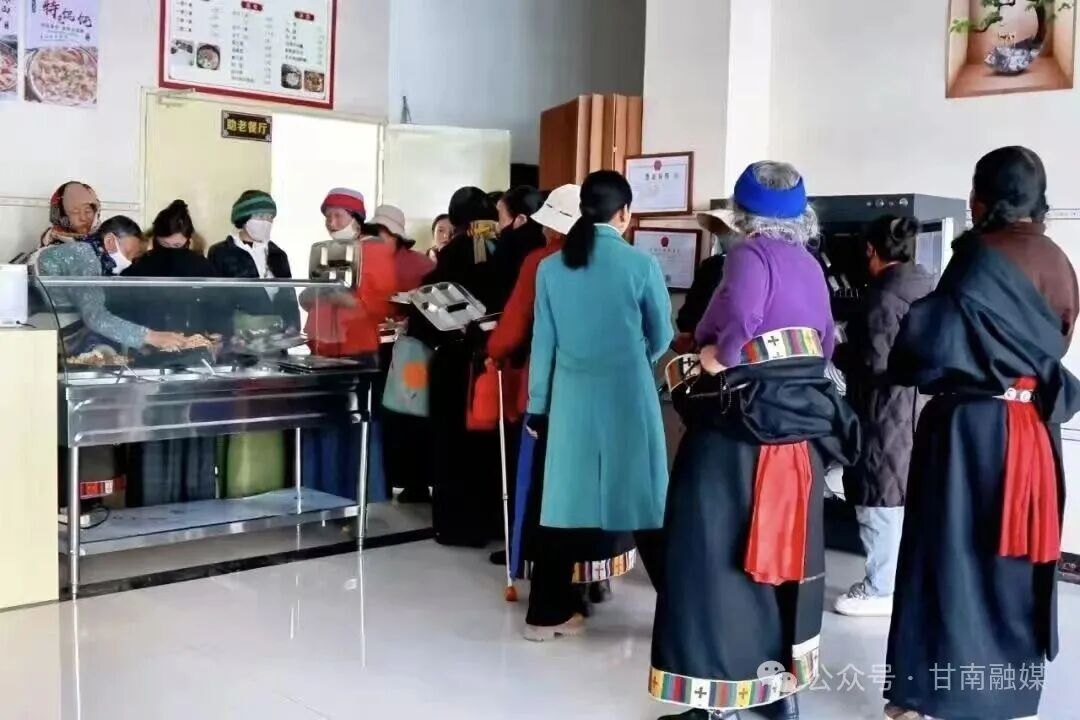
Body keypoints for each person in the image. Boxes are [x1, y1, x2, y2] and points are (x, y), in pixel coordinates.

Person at [649, 162, 860, 720]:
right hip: (794, 438)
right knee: (782, 567)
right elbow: (826, 343)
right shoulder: (809, 263)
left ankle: (714, 701)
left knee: (708, 560)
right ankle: (776, 697)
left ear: (741, 214)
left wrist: (717, 355)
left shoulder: (748, 255)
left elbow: (740, 318)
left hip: (734, 434)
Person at [883, 147, 1079, 720]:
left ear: (981, 198)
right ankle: (1006, 694)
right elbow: (1053, 343)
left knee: (950, 558)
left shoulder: (975, 258)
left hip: (970, 431)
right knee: (1014, 564)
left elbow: (924, 347)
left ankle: (932, 697)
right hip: (1033, 430)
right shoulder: (1059, 262)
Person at [489, 183, 640, 640]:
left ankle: (551, 600)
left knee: (551, 492)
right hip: (613, 397)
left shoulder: (542, 263)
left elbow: (519, 327)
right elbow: (654, 332)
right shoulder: (629, 262)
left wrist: (495, 351)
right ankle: (596, 579)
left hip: (555, 394)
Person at [527, 170, 672, 599]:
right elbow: (662, 334)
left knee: (565, 501)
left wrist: (538, 404)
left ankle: (548, 611)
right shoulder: (641, 264)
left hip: (571, 398)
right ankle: (676, 609)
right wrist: (635, 359)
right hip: (629, 394)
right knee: (644, 496)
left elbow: (543, 342)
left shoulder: (550, 267)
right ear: (624, 212)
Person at [830, 215, 933, 618]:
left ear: (871, 250)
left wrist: (836, 348)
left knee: (879, 496)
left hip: (884, 411)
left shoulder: (881, 299)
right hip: (919, 409)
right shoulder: (926, 284)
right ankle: (898, 581)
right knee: (906, 495)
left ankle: (879, 589)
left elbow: (874, 363)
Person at [117, 200, 224, 507]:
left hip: (164, 367)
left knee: (159, 438)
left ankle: (153, 509)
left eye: (177, 247)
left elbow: (121, 313)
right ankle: (191, 508)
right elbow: (223, 312)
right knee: (184, 437)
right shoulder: (199, 267)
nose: (174, 256)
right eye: (167, 247)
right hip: (179, 367)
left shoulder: (142, 269)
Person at [301, 188, 395, 504]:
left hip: (358, 351)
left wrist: (342, 298)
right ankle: (320, 494)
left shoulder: (376, 251)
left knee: (358, 426)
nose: (331, 222)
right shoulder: (323, 250)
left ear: (356, 218)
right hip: (322, 351)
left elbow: (381, 304)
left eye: (337, 215)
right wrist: (311, 293)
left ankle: (360, 496)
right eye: (327, 216)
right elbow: (308, 297)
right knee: (324, 425)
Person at [208, 190, 300, 334]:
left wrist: (292, 327)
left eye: (270, 218)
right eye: (260, 216)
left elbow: (289, 298)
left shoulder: (278, 254)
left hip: (276, 338)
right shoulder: (221, 252)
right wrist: (227, 332)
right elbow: (215, 301)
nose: (266, 223)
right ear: (244, 218)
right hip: (239, 339)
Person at [491, 186, 546, 310]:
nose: (497, 226)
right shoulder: (551, 249)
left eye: (499, 218)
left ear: (520, 220)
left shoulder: (508, 246)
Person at [370, 204, 435, 294]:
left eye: (387, 232)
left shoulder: (422, 265)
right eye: (374, 232)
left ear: (398, 237)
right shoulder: (362, 261)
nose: (378, 238)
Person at [39, 181, 100, 249]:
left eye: (87, 211)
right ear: (61, 216)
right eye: (75, 212)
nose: (83, 218)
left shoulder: (105, 241)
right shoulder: (48, 247)